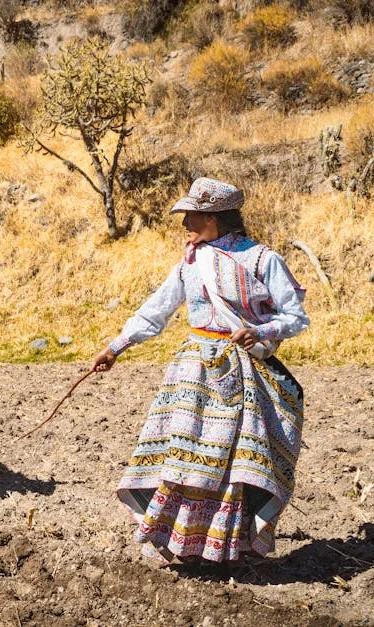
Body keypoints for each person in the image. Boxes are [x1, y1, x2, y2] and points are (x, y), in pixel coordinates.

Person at [91, 177, 309, 565]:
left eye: (192, 215)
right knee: (184, 457)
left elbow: (294, 317)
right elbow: (157, 309)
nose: (184, 223)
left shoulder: (262, 260)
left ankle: (231, 546)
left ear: (215, 217)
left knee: (231, 463)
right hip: (192, 373)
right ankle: (182, 544)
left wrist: (259, 330)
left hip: (241, 372)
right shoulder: (191, 261)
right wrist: (116, 347)